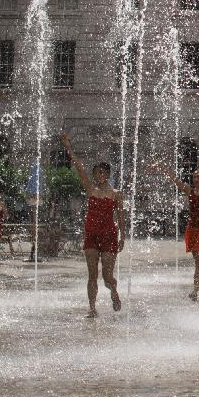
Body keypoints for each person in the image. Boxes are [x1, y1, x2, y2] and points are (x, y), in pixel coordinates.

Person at [61, 133, 127, 318]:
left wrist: (123, 235)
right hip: (91, 234)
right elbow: (78, 166)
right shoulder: (90, 189)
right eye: (97, 172)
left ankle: (113, 292)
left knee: (107, 276)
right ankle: (92, 308)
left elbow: (120, 216)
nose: (99, 175)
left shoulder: (116, 194)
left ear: (107, 175)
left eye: (103, 172)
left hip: (109, 235)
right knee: (92, 275)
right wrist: (68, 147)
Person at [148, 163, 199, 301]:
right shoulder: (190, 191)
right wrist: (164, 169)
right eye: (194, 177)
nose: (195, 179)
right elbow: (176, 181)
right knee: (198, 261)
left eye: (198, 177)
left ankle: (195, 290)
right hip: (193, 229)